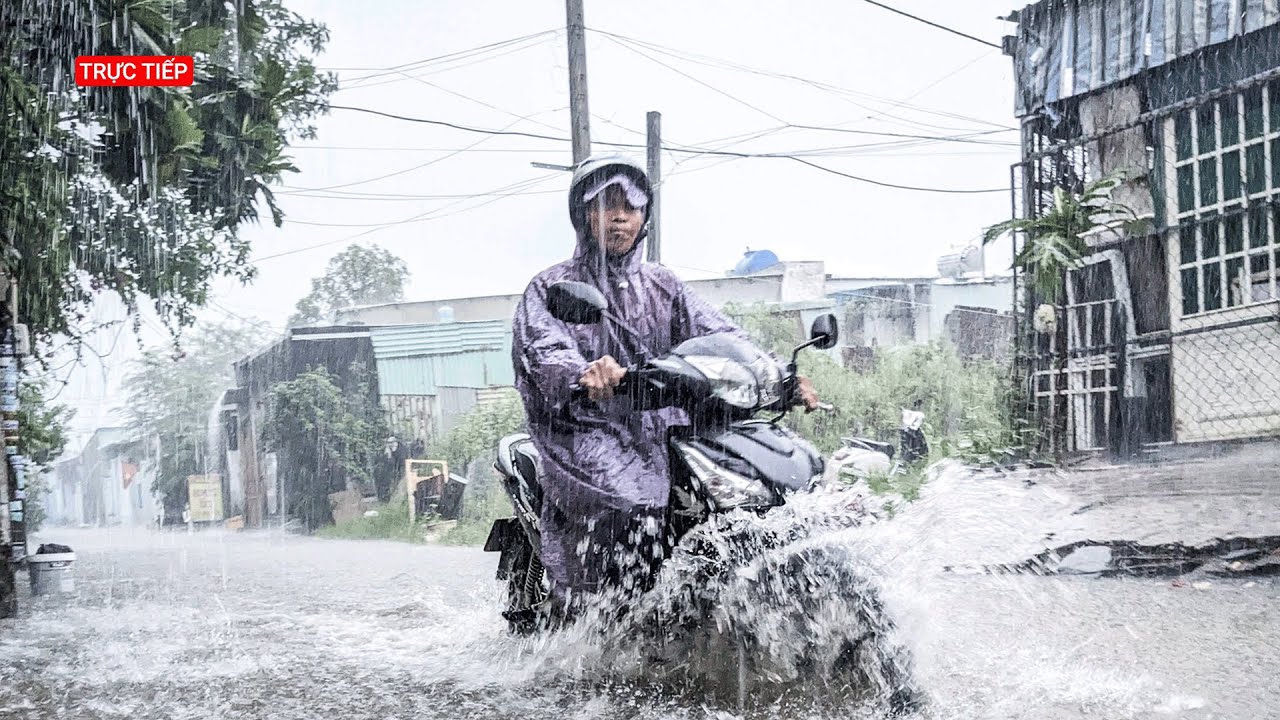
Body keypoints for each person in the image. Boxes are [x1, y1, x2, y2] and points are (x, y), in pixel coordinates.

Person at [511, 153, 821, 614]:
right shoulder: (551, 287)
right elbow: (545, 350)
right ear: (583, 215)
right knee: (633, 501)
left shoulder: (663, 285)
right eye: (606, 205)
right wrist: (583, 374)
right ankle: (606, 616)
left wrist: (780, 374)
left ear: (644, 217)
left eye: (631, 207)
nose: (620, 216)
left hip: (663, 424)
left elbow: (720, 334)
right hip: (589, 429)